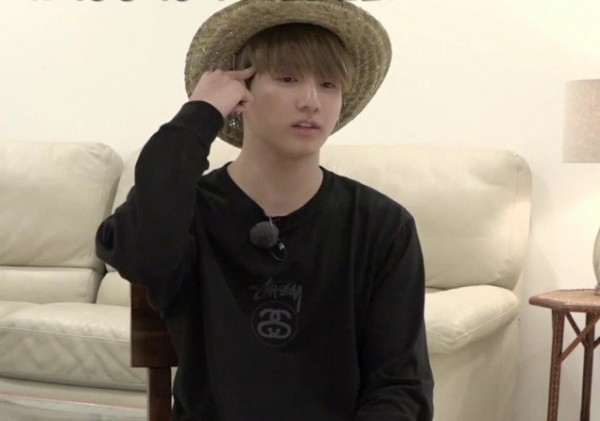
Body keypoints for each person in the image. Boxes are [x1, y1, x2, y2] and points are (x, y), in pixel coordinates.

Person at [95, 1, 434, 420]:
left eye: (328, 84)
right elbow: (141, 253)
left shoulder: (382, 226)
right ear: (241, 91)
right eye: (288, 78)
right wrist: (199, 116)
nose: (311, 101)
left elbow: (401, 385)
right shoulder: (190, 213)